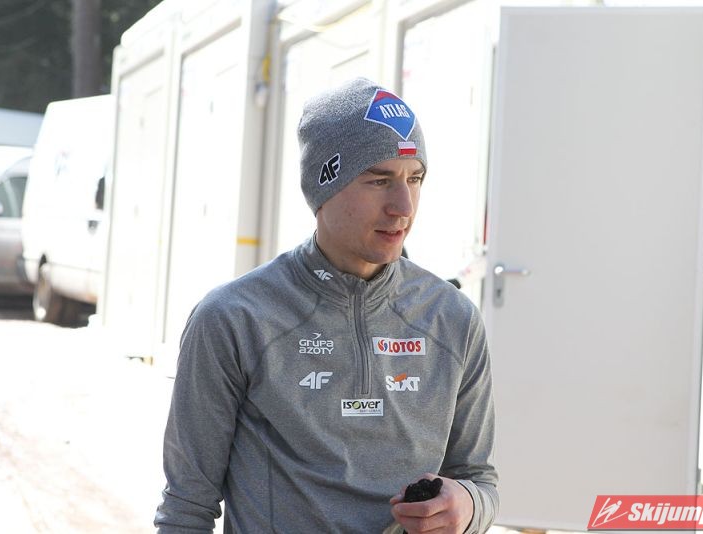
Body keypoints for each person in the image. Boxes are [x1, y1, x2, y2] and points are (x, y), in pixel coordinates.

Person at [154, 78, 498, 533]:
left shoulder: (452, 318)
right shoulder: (234, 318)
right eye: (379, 180)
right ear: (323, 188)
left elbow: (479, 480)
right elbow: (186, 507)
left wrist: (468, 506)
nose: (403, 206)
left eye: (414, 178)